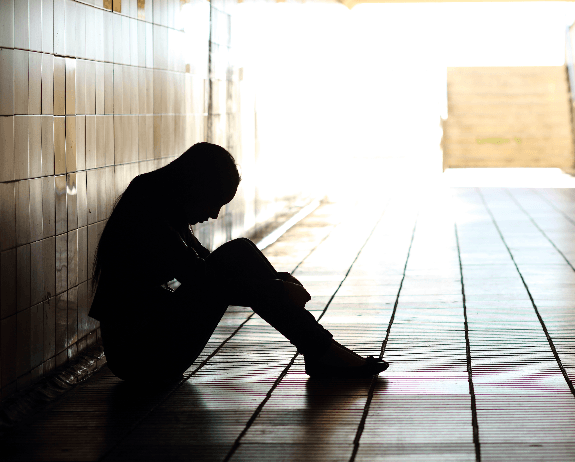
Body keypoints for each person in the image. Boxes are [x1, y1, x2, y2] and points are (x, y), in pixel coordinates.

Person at [89, 142, 389, 381]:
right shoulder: (149, 211)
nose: (215, 215)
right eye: (215, 202)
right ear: (195, 186)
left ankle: (321, 351)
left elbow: (205, 265)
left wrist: (277, 280)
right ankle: (322, 351)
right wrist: (277, 290)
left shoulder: (157, 198)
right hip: (140, 358)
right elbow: (205, 280)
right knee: (238, 254)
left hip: (147, 346)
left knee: (239, 253)